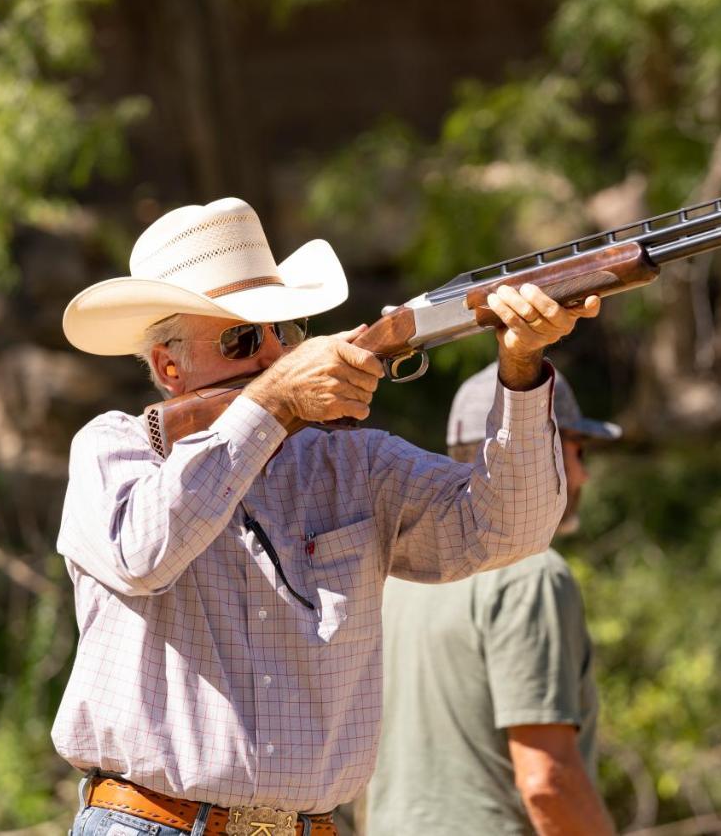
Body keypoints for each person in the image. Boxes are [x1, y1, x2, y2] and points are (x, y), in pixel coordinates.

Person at [51, 197, 601, 836]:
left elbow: (512, 530)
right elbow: (141, 554)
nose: (274, 353)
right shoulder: (115, 447)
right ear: (169, 369)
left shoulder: (352, 462)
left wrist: (522, 369)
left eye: (283, 330)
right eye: (242, 339)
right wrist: (273, 405)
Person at [366, 362, 620, 835]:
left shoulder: (392, 576)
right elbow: (547, 781)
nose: (583, 474)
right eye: (576, 448)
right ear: (531, 449)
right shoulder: (531, 576)